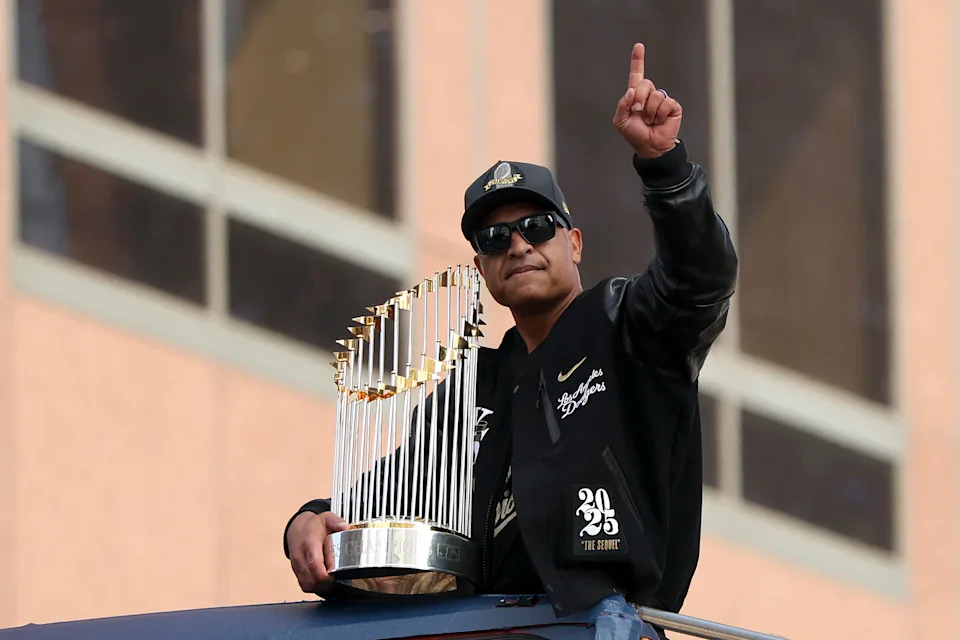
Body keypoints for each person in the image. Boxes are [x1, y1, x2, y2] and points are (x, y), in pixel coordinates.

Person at [283, 43, 738, 640]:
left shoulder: (625, 322)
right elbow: (374, 510)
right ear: (481, 267)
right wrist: (308, 521)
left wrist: (665, 167)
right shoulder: (466, 392)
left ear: (574, 243)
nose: (518, 245)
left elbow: (700, 278)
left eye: (537, 227)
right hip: (480, 629)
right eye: (496, 237)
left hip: (603, 626)